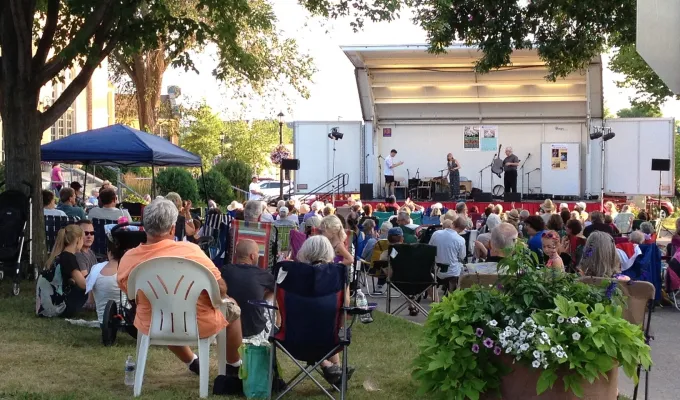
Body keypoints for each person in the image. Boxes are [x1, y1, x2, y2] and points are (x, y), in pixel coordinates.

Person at [118, 199, 232, 375]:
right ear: (172, 228)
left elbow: (131, 294)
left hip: (153, 322)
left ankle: (192, 361)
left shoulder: (129, 258)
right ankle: (234, 365)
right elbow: (220, 289)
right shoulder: (191, 251)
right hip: (198, 323)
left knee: (165, 305)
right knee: (232, 306)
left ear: (145, 227)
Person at [294, 235, 356, 384]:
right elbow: (345, 306)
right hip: (331, 336)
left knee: (313, 325)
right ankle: (333, 369)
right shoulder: (339, 273)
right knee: (327, 327)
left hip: (294, 337)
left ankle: (334, 371)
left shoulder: (293, 273)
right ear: (329, 252)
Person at [218, 239, 277, 393]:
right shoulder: (263, 274)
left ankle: (233, 362)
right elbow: (276, 290)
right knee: (271, 299)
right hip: (254, 330)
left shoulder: (224, 271)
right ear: (252, 256)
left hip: (227, 329)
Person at [85, 227, 133, 326]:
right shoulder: (129, 271)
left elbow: (91, 301)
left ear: (108, 252)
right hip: (126, 322)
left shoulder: (95, 269)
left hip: (103, 321)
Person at [46, 224, 87, 317]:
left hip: (52, 301)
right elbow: (83, 285)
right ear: (78, 239)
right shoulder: (69, 258)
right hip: (61, 307)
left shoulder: (59, 256)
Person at [429, 218, 466, 290]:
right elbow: (462, 256)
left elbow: (430, 249)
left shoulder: (436, 234)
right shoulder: (460, 240)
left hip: (437, 270)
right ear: (462, 230)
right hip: (452, 272)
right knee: (462, 267)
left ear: (452, 223)